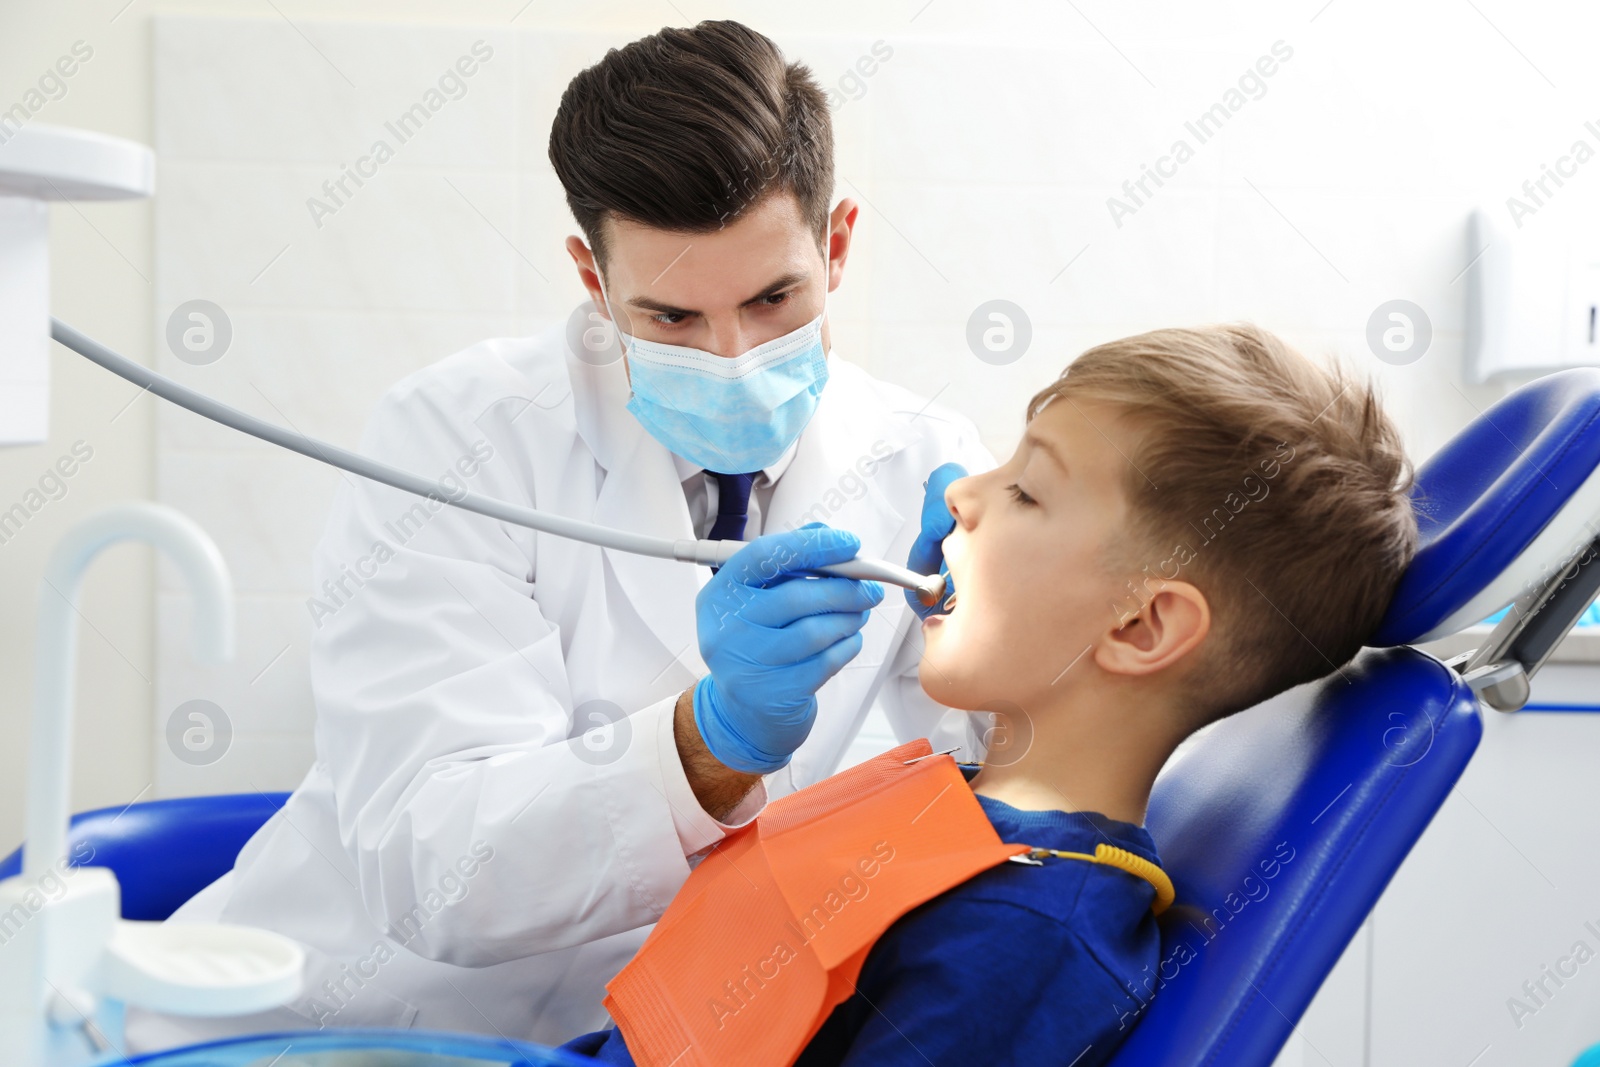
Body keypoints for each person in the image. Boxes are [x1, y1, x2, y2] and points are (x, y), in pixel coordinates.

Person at [126, 21, 990, 1052]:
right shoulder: (455, 439)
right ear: (591, 275)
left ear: (836, 243)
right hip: (351, 1022)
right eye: (671, 318)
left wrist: (995, 643)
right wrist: (707, 743)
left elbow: (974, 806)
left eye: (773, 299)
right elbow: (431, 868)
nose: (732, 357)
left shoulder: (922, 460)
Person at [559, 323, 1420, 1065]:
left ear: (1142, 627)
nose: (961, 494)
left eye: (1026, 489)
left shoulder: (1030, 936)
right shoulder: (963, 819)